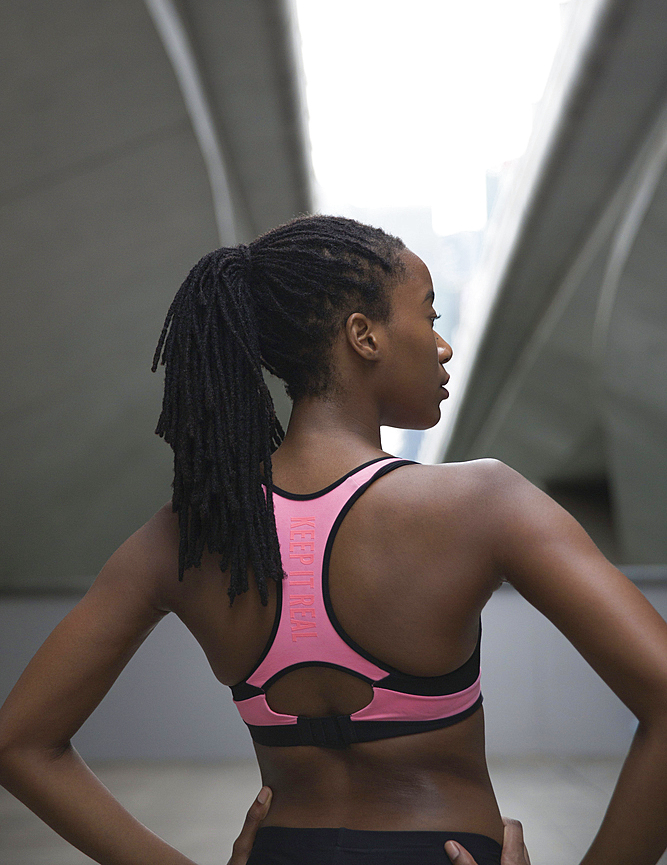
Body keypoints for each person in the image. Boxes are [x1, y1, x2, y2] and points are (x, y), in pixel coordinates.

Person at [0, 213, 666, 865]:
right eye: (429, 317)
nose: (443, 346)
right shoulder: (483, 502)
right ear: (363, 336)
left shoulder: (183, 537)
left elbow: (19, 744)